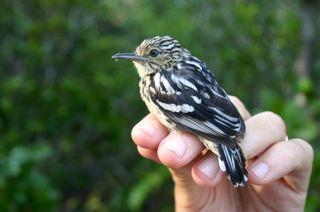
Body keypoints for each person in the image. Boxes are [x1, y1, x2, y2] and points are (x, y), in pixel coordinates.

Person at [131, 96, 313, 211]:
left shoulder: (159, 86)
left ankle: (235, 167)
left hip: (218, 134)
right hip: (223, 133)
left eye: (152, 54)